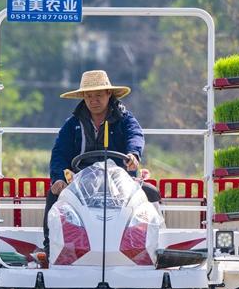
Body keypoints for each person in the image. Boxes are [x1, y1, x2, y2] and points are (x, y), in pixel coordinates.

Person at [43, 70, 160, 253]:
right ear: (83, 97)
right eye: (88, 96)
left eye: (98, 95)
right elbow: (59, 153)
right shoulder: (72, 124)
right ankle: (50, 248)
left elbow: (135, 136)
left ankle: (153, 247)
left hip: (121, 184)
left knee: (151, 193)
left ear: (109, 94)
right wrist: (58, 178)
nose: (93, 100)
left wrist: (133, 155)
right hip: (80, 183)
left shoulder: (125, 120)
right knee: (53, 194)